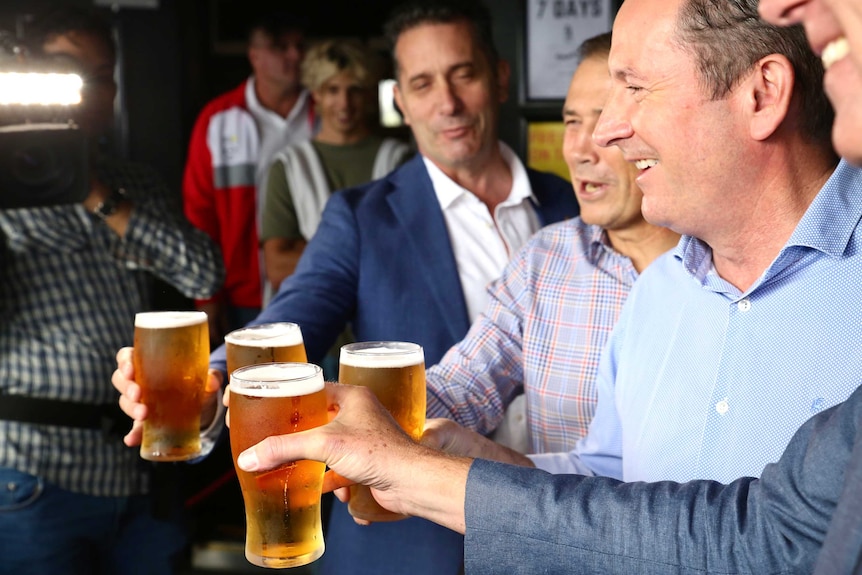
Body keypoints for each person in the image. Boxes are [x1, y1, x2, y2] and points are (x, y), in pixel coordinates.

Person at [227, 0, 862, 572]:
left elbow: (761, 539)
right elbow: (612, 481)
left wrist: (427, 475)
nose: (600, 136)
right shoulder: (658, 294)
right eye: (577, 114)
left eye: (634, 88)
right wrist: (465, 462)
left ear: (762, 95)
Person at [114, 1, 577, 573]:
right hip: (407, 540)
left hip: (569, 529)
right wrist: (208, 383)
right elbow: (289, 322)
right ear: (401, 100)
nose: (448, 102)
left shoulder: (575, 206)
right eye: (423, 83)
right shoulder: (362, 217)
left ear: (500, 77)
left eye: (464, 74)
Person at [0, 6, 224, 575]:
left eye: (104, 75)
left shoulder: (135, 183)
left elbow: (204, 273)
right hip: (31, 470)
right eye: (72, 73)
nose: (91, 90)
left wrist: (91, 189)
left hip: (139, 459)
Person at [426, 31, 679, 453]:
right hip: (561, 520)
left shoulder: (724, 260)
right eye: (571, 121)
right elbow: (462, 388)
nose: (578, 149)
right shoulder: (544, 261)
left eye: (601, 120)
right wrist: (371, 412)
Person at [261, 39, 412, 377]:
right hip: (308, 341)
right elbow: (276, 265)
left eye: (355, 90)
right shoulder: (289, 165)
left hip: (382, 343)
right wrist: (368, 254)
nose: (344, 103)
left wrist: (316, 249)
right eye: (332, 90)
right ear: (315, 93)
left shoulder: (399, 158)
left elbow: (409, 259)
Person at [182, 11, 314, 345]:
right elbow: (200, 215)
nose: (295, 55)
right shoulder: (218, 121)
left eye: (299, 45)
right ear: (254, 55)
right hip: (243, 299)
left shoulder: (327, 115)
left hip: (320, 289)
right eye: (281, 47)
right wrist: (207, 300)